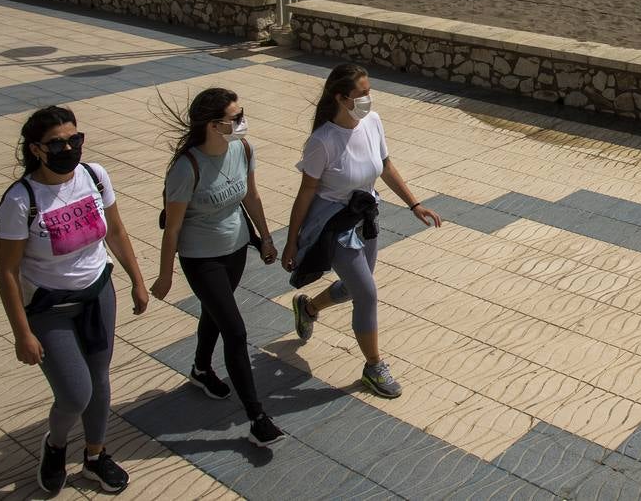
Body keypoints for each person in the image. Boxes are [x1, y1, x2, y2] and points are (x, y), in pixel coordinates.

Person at [0, 106, 148, 495]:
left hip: (98, 294)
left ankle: (95, 456)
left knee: (99, 381)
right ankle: (56, 444)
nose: (68, 148)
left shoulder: (94, 176)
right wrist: (21, 333)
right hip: (49, 307)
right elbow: (7, 272)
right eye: (57, 143)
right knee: (75, 393)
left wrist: (137, 280)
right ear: (36, 149)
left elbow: (116, 231)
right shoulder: (20, 201)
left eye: (74, 139)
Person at [283, 64, 443, 399]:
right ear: (341, 98)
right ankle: (373, 367)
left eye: (369, 92)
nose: (368, 99)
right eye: (362, 94)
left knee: (360, 286)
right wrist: (291, 242)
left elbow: (384, 166)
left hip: (365, 216)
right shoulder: (322, 142)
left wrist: (415, 205)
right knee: (367, 293)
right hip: (334, 226)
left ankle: (309, 308)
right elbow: (306, 193)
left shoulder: (373, 122)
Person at [151, 89, 286, 447]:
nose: (242, 122)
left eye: (242, 114)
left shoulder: (243, 149)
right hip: (201, 258)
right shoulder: (186, 167)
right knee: (236, 331)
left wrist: (266, 238)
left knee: (215, 312)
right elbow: (174, 227)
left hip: (236, 248)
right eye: (235, 117)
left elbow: (252, 196)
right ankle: (257, 417)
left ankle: (199, 368)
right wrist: (165, 274)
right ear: (213, 125)